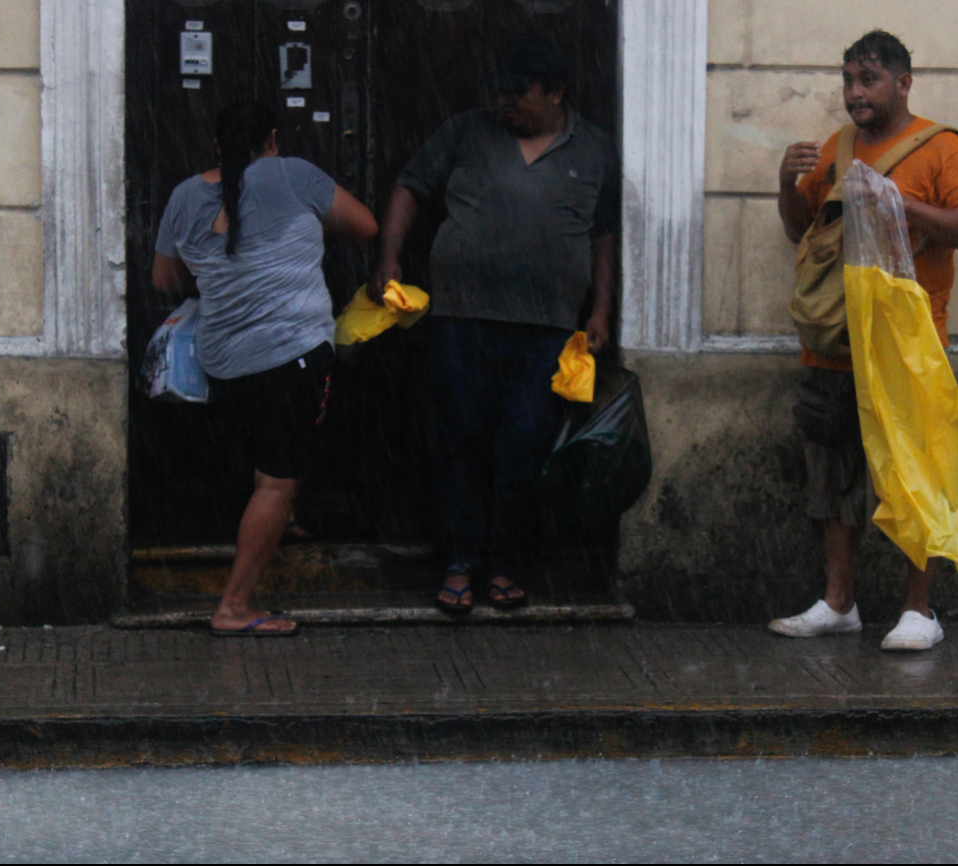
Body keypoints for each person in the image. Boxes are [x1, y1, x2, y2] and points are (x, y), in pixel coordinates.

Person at [371, 35, 620, 614]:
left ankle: (505, 562)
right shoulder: (466, 132)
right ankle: (459, 562)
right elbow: (410, 187)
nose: (505, 102)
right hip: (461, 320)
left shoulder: (596, 149)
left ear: (556, 93)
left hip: (546, 330)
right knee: (457, 441)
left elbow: (603, 235)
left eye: (519, 93)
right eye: (501, 92)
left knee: (524, 447)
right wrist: (388, 257)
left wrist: (600, 309)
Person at [770, 30, 958, 651]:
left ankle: (919, 611)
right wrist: (788, 184)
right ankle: (838, 603)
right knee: (833, 476)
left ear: (903, 84)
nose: (854, 93)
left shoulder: (943, 148)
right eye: (847, 80)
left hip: (907, 349)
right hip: (833, 343)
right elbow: (799, 232)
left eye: (867, 80)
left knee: (909, 478)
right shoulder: (835, 148)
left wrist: (900, 204)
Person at [152, 101, 378, 636]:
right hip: (290, 355)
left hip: (225, 365)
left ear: (216, 147)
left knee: (269, 467)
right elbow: (365, 226)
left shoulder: (185, 195)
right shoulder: (292, 174)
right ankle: (234, 606)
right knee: (277, 480)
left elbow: (164, 279)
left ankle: (281, 520)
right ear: (271, 139)